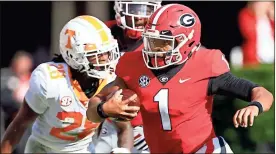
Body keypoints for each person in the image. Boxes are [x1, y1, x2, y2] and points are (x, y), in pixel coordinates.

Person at [86, 4, 274, 153]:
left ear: (188, 41)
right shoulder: (133, 64)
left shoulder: (205, 64)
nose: (153, 48)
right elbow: (93, 106)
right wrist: (103, 109)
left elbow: (261, 93)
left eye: (162, 43)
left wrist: (254, 106)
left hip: (204, 150)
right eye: (151, 41)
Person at [1, 15, 134, 153]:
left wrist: (123, 150)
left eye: (107, 53)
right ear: (73, 55)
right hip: (43, 149)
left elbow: (124, 128)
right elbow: (20, 123)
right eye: (97, 54)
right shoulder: (50, 80)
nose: (106, 59)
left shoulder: (110, 81)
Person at [93, 1, 162, 153]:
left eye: (147, 10)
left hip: (143, 125)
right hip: (102, 117)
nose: (139, 16)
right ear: (120, 8)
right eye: (135, 9)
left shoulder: (160, 40)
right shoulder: (102, 32)